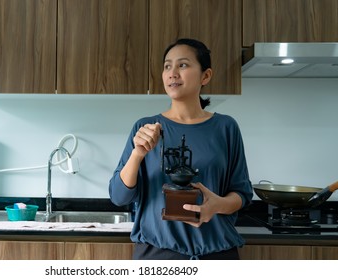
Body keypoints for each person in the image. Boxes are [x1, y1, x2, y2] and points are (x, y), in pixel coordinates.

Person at [108, 38, 253, 260]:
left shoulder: (226, 127)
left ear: (206, 76)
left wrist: (216, 206)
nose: (172, 73)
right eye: (167, 66)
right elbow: (119, 197)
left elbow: (241, 193)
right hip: (157, 257)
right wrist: (138, 154)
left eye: (182, 65)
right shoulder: (145, 128)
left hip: (216, 255)